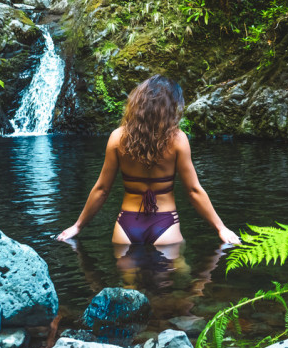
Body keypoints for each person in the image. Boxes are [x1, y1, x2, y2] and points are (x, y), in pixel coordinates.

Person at [55, 75, 241, 246]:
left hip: (126, 225)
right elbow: (193, 191)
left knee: (126, 283)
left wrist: (78, 226)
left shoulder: (117, 138)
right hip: (165, 223)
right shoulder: (178, 140)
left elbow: (102, 190)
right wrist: (220, 228)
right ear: (170, 107)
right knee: (181, 276)